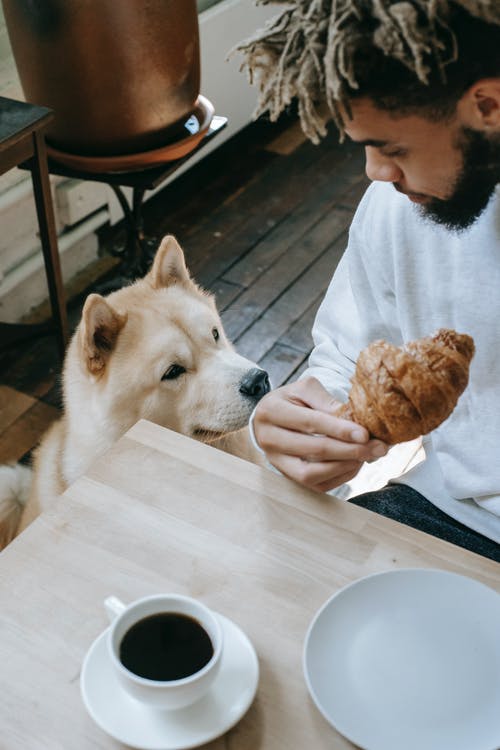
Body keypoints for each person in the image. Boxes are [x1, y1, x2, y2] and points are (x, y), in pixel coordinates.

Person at [237, 0, 500, 561]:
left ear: (488, 105)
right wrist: (309, 424)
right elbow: (344, 359)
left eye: (392, 148)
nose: (376, 172)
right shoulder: (396, 207)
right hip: (453, 511)